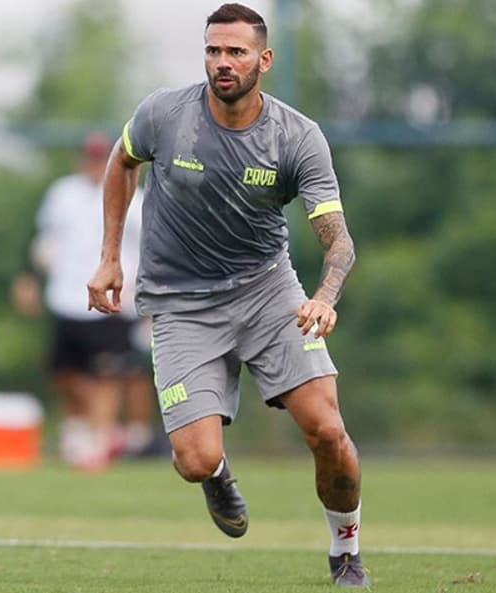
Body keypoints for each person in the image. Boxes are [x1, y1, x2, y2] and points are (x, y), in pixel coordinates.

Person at [87, 3, 369, 587]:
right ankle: (217, 475)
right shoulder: (164, 114)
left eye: (236, 52)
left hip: (269, 294)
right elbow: (122, 162)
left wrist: (325, 295)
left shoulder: (297, 138)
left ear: (263, 60)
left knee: (329, 433)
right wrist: (111, 255)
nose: (223, 62)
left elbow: (337, 239)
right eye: (214, 50)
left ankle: (346, 551)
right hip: (181, 303)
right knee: (191, 461)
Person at [12, 132, 157, 472]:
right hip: (66, 297)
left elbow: (153, 252)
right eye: (89, 158)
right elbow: (45, 240)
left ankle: (100, 440)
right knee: (65, 373)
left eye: (100, 158)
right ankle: (80, 430)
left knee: (107, 376)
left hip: (112, 302)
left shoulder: (135, 200)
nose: (94, 165)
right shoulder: (62, 194)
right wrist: (29, 276)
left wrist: (151, 299)